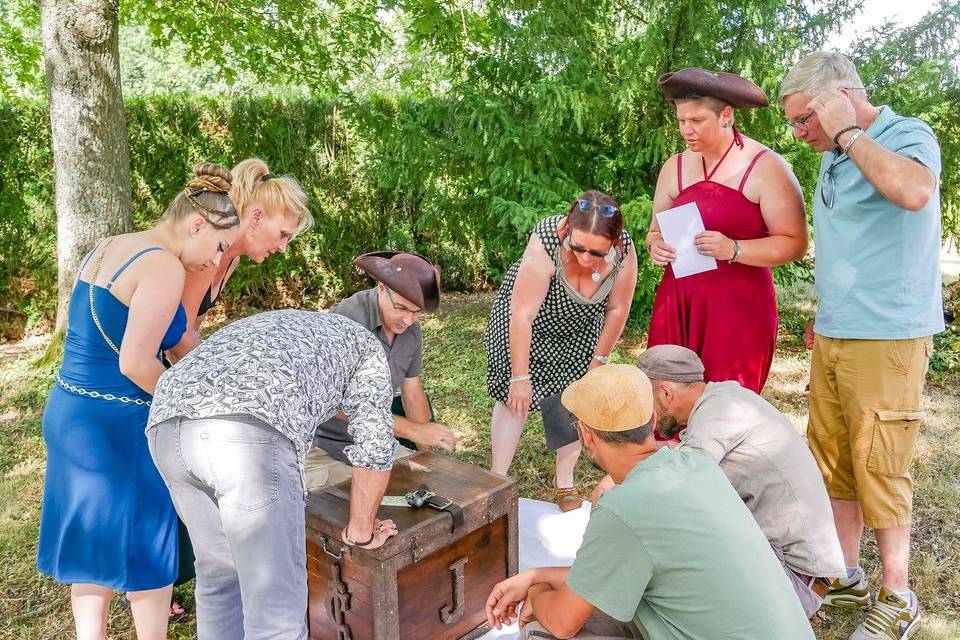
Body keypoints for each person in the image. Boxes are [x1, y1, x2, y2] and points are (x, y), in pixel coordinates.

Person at [37, 163, 240, 639]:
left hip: (69, 413)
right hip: (117, 425)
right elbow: (136, 363)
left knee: (91, 545)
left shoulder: (113, 244)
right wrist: (190, 404)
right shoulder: (164, 265)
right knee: (148, 551)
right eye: (217, 247)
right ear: (196, 225)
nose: (215, 261)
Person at [780, 51, 944, 640]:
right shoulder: (832, 156)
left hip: (889, 336)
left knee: (882, 466)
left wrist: (848, 130)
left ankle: (898, 595)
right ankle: (845, 577)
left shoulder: (905, 135)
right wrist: (826, 315)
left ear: (841, 98)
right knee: (836, 465)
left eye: (806, 120)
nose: (800, 134)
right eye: (795, 123)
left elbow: (915, 192)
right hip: (836, 332)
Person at [485, 364, 814, 639]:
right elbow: (604, 574)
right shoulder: (695, 466)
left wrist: (535, 593)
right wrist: (535, 575)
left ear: (585, 434)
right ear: (653, 423)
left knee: (541, 630)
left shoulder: (624, 508)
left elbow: (561, 621)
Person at [146, 310, 401, 640]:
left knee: (219, 577)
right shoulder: (369, 349)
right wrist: (361, 532)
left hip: (167, 423)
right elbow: (376, 446)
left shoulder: (298, 326)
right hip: (244, 436)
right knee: (275, 609)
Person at [635, 344, 845, 618]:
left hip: (792, 582)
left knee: (661, 587)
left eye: (645, 403)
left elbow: (682, 486)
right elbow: (679, 457)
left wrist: (620, 484)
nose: (646, 417)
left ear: (664, 393)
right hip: (793, 572)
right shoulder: (722, 400)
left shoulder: (718, 411)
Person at [646, 68, 807, 398]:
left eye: (697, 121)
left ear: (726, 115)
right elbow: (654, 231)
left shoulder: (765, 166)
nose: (686, 131)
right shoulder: (674, 167)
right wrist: (655, 245)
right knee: (666, 400)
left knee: (726, 408)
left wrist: (734, 249)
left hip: (737, 309)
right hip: (678, 302)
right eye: (681, 121)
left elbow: (795, 243)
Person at [484, 190, 638, 510]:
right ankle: (496, 479)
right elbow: (522, 314)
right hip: (527, 322)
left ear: (614, 242)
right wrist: (520, 376)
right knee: (515, 398)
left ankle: (565, 483)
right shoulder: (547, 240)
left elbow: (618, 309)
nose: (584, 257)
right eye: (578, 247)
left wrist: (599, 361)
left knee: (572, 400)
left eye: (596, 252)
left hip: (579, 330)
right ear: (567, 228)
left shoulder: (625, 251)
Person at [306, 252, 458, 489]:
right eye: (401, 308)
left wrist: (425, 454)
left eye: (416, 312)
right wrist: (413, 431)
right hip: (324, 447)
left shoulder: (411, 330)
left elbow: (412, 390)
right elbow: (333, 403)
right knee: (342, 514)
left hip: (377, 443)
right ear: (381, 287)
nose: (408, 320)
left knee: (420, 496)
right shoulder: (346, 323)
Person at [166, 157, 313, 360]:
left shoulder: (231, 260)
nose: (283, 248)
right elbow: (179, 339)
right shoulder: (207, 252)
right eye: (283, 234)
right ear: (256, 217)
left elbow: (191, 332)